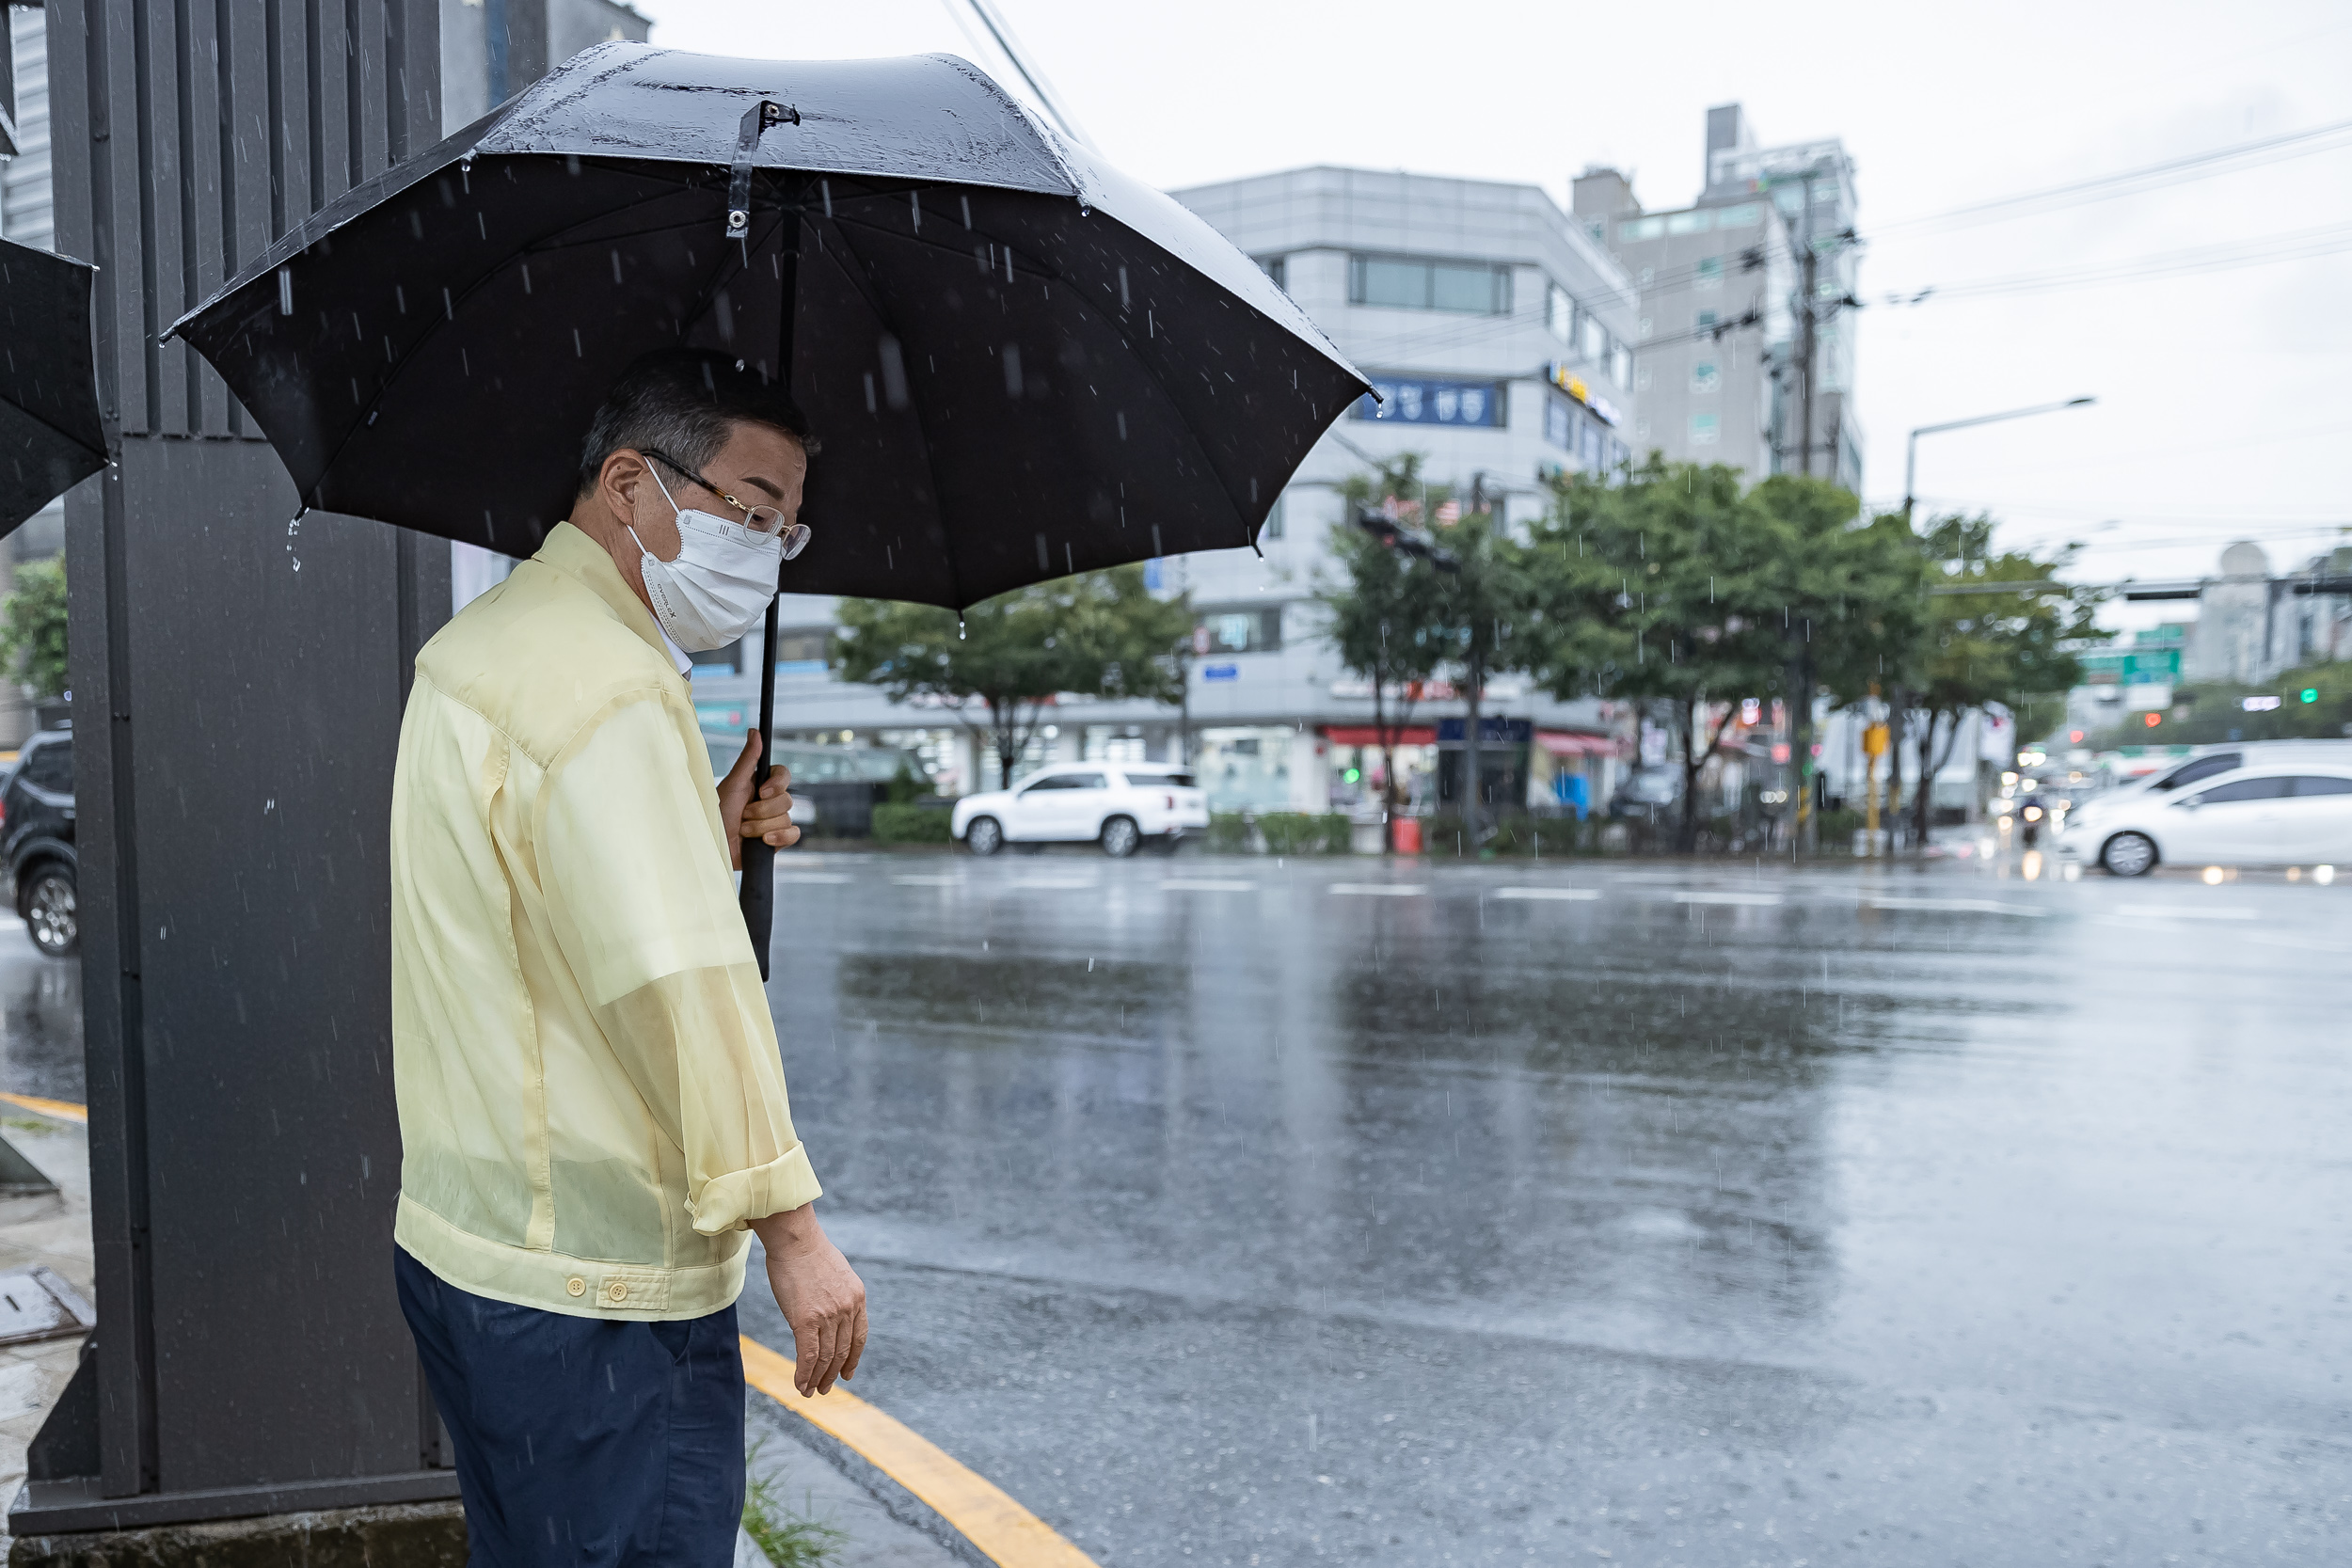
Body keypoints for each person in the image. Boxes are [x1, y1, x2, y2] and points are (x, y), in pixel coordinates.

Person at [388, 349, 866, 1566]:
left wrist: (701, 823)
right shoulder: (614, 691)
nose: (764, 551)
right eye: (752, 512)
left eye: (786, 532)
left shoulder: (485, 648)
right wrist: (791, 1228)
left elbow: (544, 921)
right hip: (597, 1284)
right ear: (629, 486)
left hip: (474, 1243)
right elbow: (677, 984)